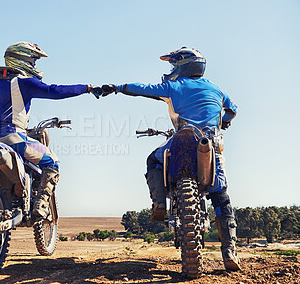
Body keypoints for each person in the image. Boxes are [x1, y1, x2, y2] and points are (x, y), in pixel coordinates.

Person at [101, 47, 240, 271]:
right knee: (221, 197)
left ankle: (159, 203)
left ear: (182, 66)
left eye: (174, 65)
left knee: (153, 160)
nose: (172, 69)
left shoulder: (173, 86)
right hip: (211, 145)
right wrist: (224, 121)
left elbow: (142, 89)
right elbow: (232, 110)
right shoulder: (216, 88)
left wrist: (116, 88)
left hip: (182, 140)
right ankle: (229, 251)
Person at [0, 41, 102, 219]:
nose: (35, 65)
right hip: (14, 139)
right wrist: (87, 88)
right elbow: (54, 91)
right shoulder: (25, 82)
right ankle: (40, 204)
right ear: (23, 60)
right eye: (33, 61)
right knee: (52, 161)